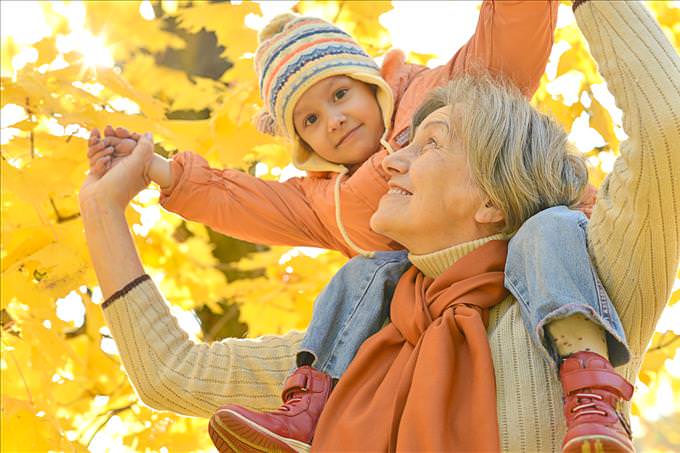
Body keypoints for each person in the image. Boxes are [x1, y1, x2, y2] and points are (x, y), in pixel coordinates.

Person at [80, 0, 679, 452]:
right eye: (310, 118)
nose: (390, 159)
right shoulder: (360, 339)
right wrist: (105, 209)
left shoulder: (592, 287)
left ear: (494, 197)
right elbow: (171, 374)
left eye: (431, 144)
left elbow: (667, 129)